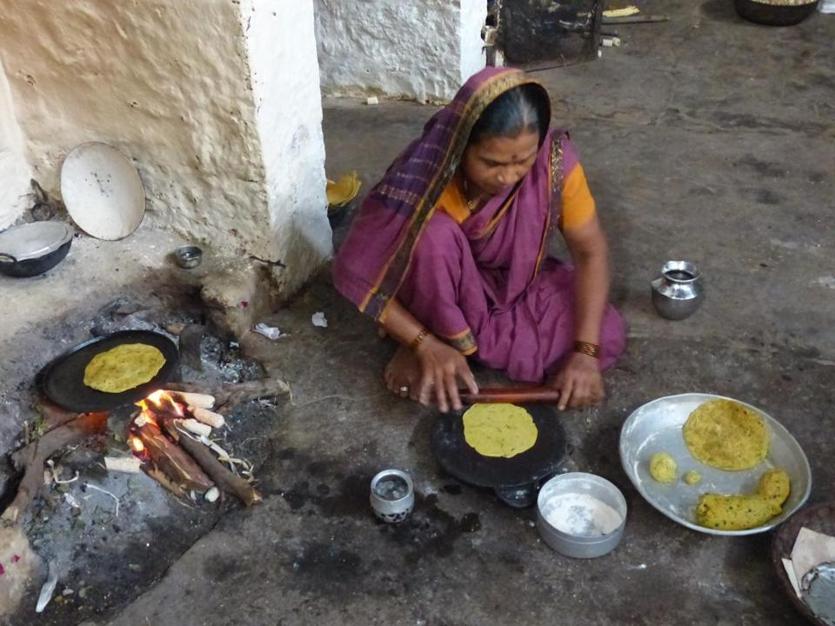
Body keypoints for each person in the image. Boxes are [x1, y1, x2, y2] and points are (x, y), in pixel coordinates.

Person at [332, 67, 626, 413]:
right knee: (432, 236)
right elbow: (359, 269)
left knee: (599, 330)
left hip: (514, 287)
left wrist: (584, 352)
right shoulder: (426, 177)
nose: (507, 177)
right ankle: (434, 338)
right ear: (461, 144)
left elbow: (590, 253)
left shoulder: (554, 164)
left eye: (522, 161)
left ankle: (458, 345)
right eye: (491, 162)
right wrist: (423, 343)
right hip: (432, 285)